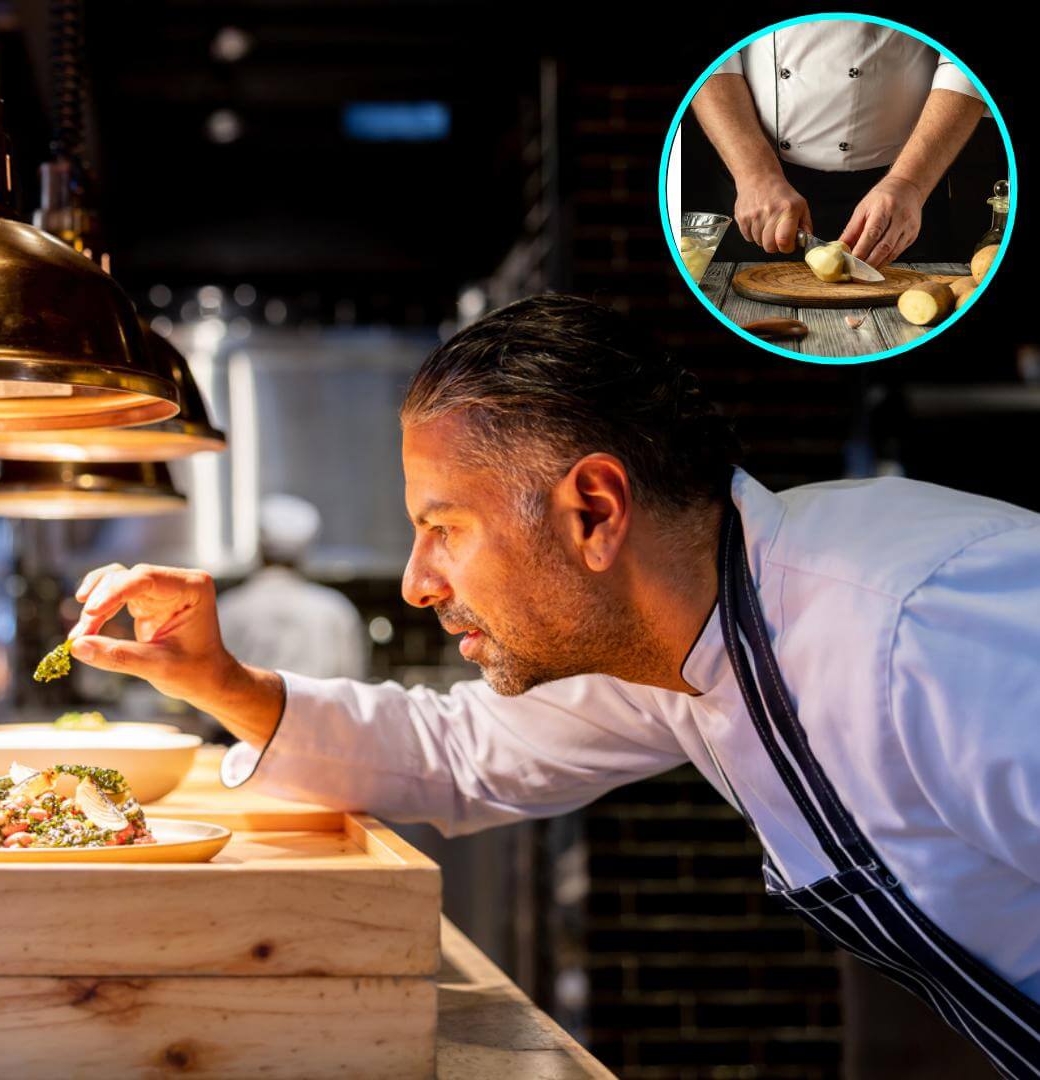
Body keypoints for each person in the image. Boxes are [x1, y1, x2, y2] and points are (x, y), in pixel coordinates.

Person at [66, 295, 1040, 1074]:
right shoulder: (673, 640)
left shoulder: (922, 626)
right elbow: (459, 755)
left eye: (443, 528)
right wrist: (218, 680)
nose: (417, 583)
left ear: (593, 512)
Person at [691, 20, 985, 265]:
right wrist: (754, 173)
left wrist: (910, 183)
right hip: (759, 192)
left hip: (905, 189)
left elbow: (961, 67)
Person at [216, 493, 368, 680]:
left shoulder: (227, 609)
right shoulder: (336, 611)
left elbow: (210, 683)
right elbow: (352, 685)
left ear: (259, 547)